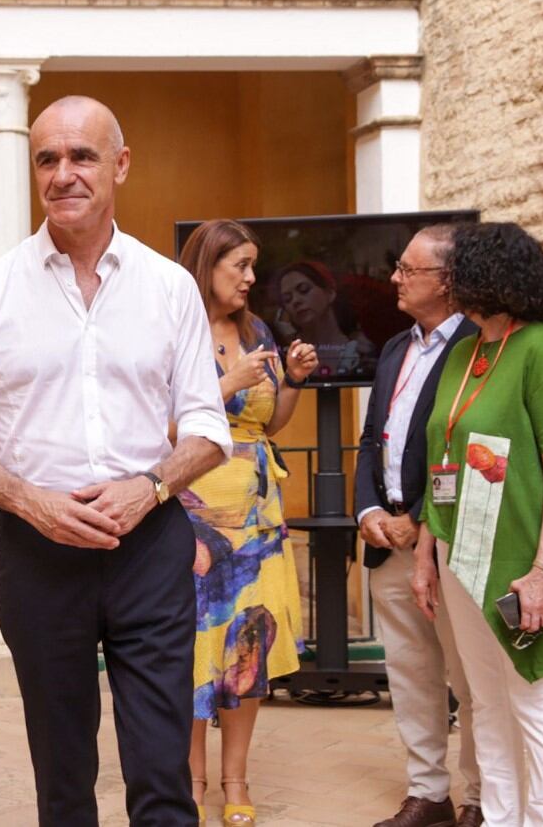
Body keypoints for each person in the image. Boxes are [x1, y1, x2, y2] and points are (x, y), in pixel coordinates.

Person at [0, 96, 232, 826]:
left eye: (82, 156)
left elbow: (207, 425)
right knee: (63, 778)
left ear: (120, 165)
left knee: (163, 774)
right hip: (40, 552)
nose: (64, 174)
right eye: (47, 159)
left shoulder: (168, 288)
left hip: (149, 545)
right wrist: (32, 502)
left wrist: (150, 487)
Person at [412, 222, 543, 827]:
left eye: (459, 271)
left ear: (492, 276)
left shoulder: (541, 350)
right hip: (460, 549)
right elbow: (443, 462)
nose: (448, 282)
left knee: (535, 700)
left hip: (515, 556)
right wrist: (426, 552)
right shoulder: (464, 351)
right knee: (485, 700)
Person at [177, 219, 317, 826]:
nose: (252, 278)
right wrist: (221, 385)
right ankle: (191, 780)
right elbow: (155, 425)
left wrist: (297, 383)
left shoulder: (257, 329)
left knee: (247, 646)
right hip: (193, 514)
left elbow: (270, 422)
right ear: (208, 265)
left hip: (258, 518)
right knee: (190, 646)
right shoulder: (173, 333)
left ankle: (235, 778)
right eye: (241, 265)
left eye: (253, 265)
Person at [354, 226, 482, 827]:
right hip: (388, 542)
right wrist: (369, 512)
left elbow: (467, 452)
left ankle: (481, 796)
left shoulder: (479, 351)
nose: (395, 279)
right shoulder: (392, 348)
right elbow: (368, 440)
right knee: (410, 674)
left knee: (471, 674)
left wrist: (420, 521)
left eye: (409, 270)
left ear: (448, 282)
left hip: (446, 541)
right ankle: (429, 793)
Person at [277, 261, 376, 377]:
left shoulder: (363, 352)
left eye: (304, 289)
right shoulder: (284, 356)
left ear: (329, 293)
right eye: (287, 299)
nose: (296, 301)